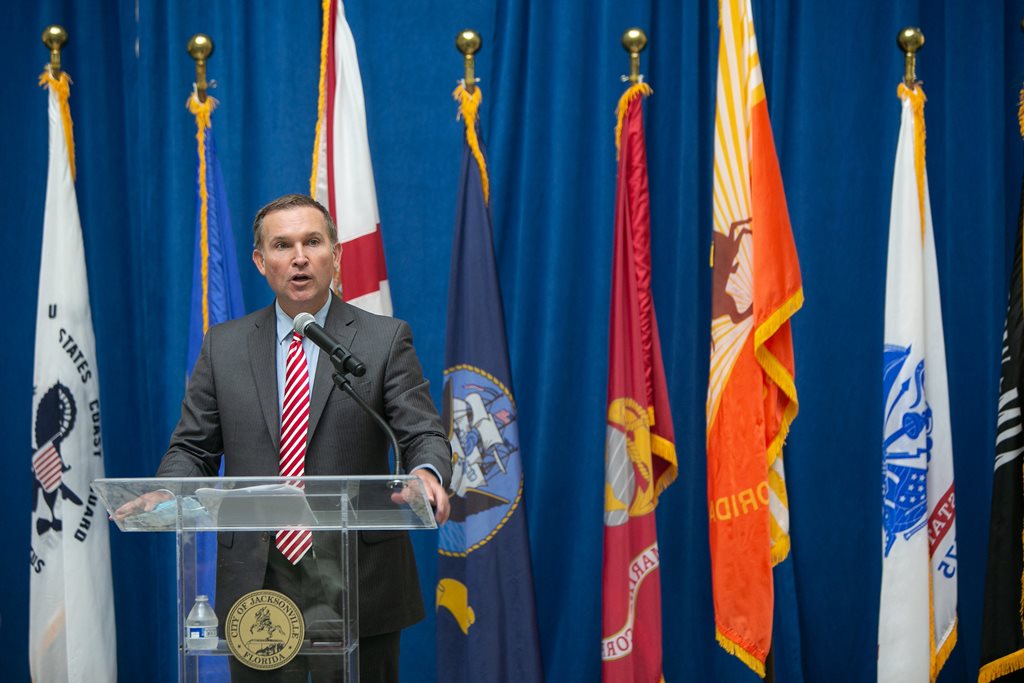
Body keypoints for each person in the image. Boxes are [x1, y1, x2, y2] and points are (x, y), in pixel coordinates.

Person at [128, 194, 451, 681]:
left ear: (335, 255)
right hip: (259, 579)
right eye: (282, 245)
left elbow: (421, 430)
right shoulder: (225, 346)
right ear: (261, 262)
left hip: (358, 577)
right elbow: (193, 448)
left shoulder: (384, 339)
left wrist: (426, 474)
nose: (299, 257)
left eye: (312, 242)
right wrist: (167, 488)